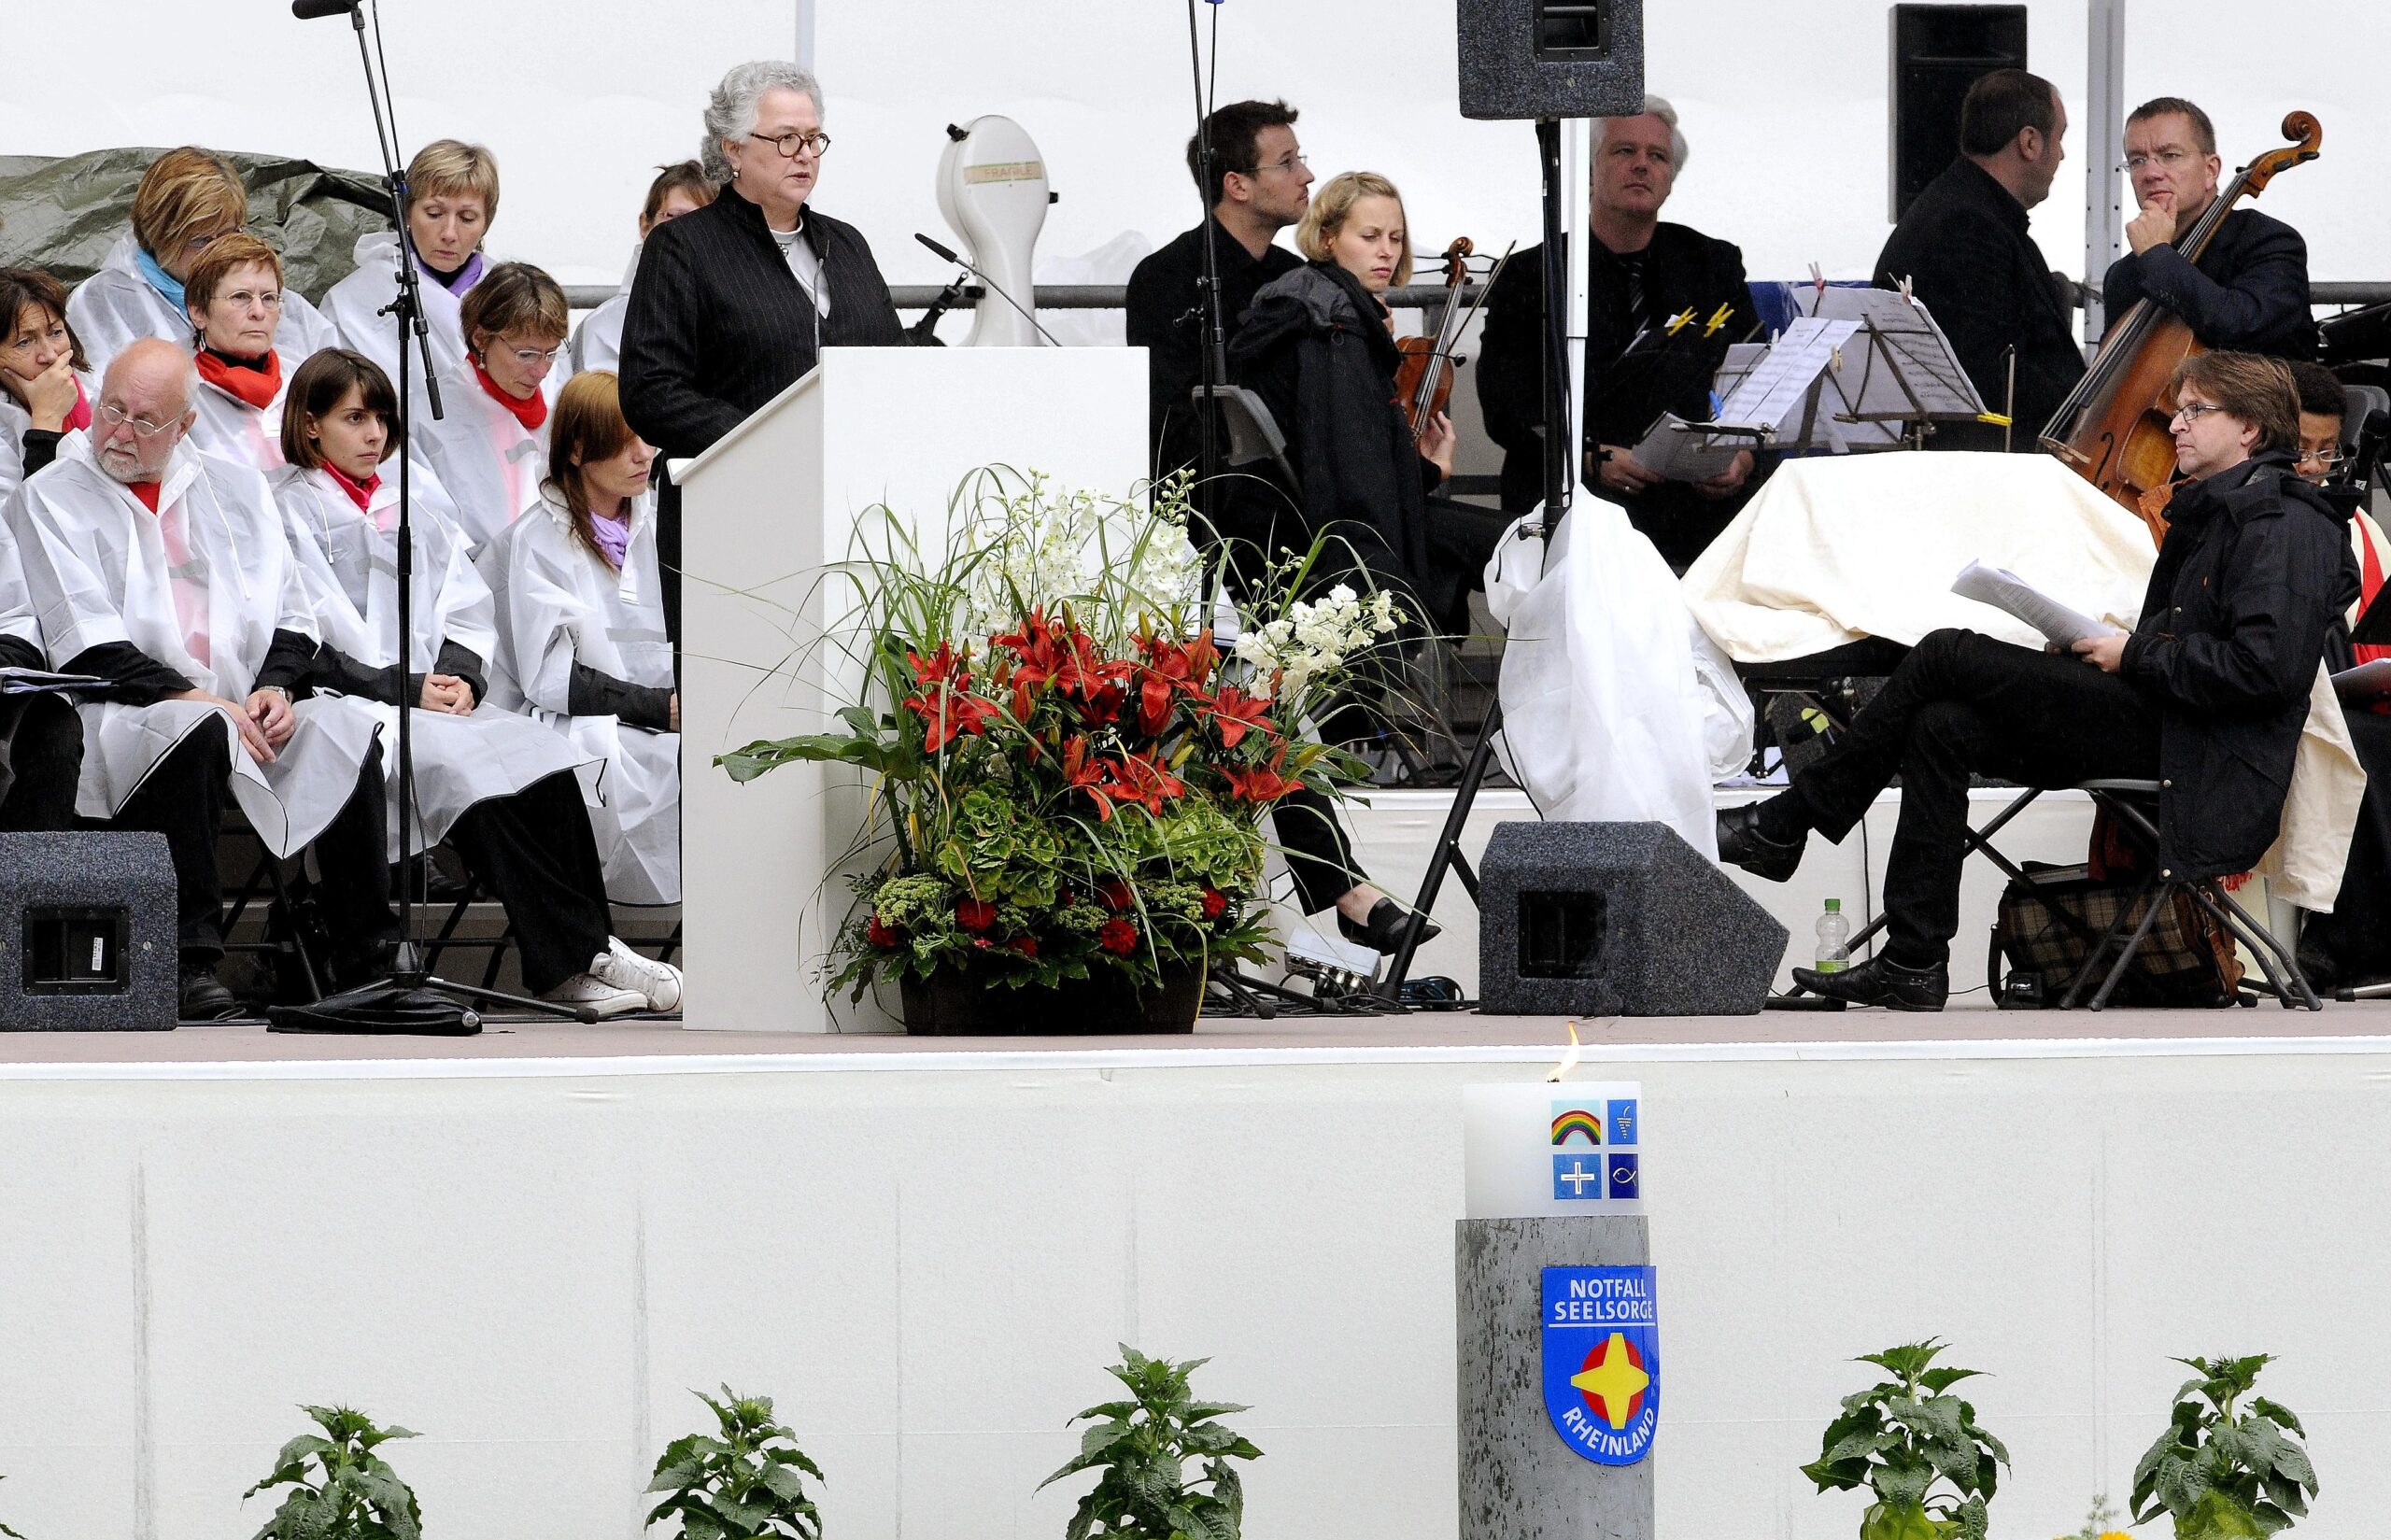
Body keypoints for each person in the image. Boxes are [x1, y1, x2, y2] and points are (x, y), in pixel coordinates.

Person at [1717, 352, 2353, 1010]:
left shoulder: (2286, 523)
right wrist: (2094, 648)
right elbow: (2188, 648)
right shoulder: (2214, 510)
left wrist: (2131, 655)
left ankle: (1787, 821)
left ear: (2249, 430)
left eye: (2195, 412)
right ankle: (1913, 960)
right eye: (2179, 411)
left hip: (2202, 759)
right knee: (1942, 726)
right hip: (2168, 725)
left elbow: (2263, 673)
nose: (2177, 427)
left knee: (1943, 653)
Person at [270, 350, 682, 1016]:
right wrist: (407, 687)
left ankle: (590, 946)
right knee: (477, 780)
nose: (375, 434)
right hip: (347, 706)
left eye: (381, 417)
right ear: (311, 425)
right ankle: (565, 959)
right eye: (354, 418)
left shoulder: (414, 501)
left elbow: (465, 605)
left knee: (545, 758)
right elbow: (299, 632)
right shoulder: (285, 509)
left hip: (432, 702)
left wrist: (462, 674)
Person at [8, 339, 391, 1020]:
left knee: (348, 728)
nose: (120, 432)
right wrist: (203, 698)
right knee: (198, 727)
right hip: (130, 711)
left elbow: (295, 612)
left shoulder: (235, 485)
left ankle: (363, 957)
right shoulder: (52, 495)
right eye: (112, 410)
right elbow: (86, 645)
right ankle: (189, 957)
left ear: (185, 425)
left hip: (246, 704)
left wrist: (275, 686)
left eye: (146, 420)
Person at [1215, 171, 1450, 953]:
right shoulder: (1334, 326)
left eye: (1394, 238)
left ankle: (1344, 891)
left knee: (1259, 716)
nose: (1384, 252)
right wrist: (1425, 482)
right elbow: (1350, 474)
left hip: (1275, 554)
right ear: (1327, 239)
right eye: (1367, 236)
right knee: (1256, 717)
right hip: (1320, 561)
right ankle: (1345, 891)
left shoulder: (1321, 312)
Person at [618, 61, 904, 639]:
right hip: (733, 521)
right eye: (785, 139)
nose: (804, 154)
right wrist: (766, 439)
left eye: (814, 139)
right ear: (734, 149)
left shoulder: (847, 245)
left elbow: (887, 371)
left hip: (850, 520)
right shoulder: (684, 248)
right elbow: (651, 390)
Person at [1476, 97, 1759, 567]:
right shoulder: (1534, 273)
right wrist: (1591, 457)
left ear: (1670, 180)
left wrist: (1743, 458)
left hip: (1691, 508)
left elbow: (1755, 376)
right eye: (1624, 151)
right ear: (1589, 171)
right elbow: (1505, 408)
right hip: (1577, 507)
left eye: (1658, 156)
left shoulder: (1713, 263)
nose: (1642, 166)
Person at [476, 372, 682, 907]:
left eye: (647, 438)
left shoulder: (666, 521)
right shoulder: (537, 539)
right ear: (576, 449)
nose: (644, 456)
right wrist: (658, 707)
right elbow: (550, 679)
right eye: (625, 442)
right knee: (605, 754)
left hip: (666, 709)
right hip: (570, 717)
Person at [1871, 68, 2083, 452]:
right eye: (2060, 137)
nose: (2064, 154)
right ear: (2030, 142)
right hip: (1980, 469)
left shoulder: (1967, 209)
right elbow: (1996, 377)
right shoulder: (1967, 226)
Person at [1124, 98, 1312, 501]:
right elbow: (1173, 422)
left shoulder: (1294, 274)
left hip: (1297, 489)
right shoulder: (1165, 276)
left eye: (1301, 159)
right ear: (1237, 184)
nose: (1307, 175)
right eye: (1287, 163)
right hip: (1220, 504)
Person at [66, 147, 340, 373]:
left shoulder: (282, 307)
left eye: (230, 234)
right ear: (158, 233)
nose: (218, 251)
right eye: (201, 240)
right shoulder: (103, 303)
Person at [2101, 97, 2315, 360]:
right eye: (2137, 161)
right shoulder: (2123, 276)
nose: (2151, 173)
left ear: (2210, 170)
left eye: (2170, 156)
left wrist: (2158, 256)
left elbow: (2240, 327)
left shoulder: (2269, 241)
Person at [322, 140, 501, 407]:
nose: (449, 233)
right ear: (406, 212)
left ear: (486, 223)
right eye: (434, 213)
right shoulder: (353, 300)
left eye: (467, 218)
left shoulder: (509, 295)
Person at [412, 261, 567, 549]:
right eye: (527, 354)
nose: (541, 371)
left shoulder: (559, 403)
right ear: (481, 338)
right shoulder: (427, 415)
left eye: (551, 353)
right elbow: (435, 533)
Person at [571, 162, 715, 376]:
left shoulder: (741, 320)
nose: (688, 232)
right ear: (645, 225)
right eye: (675, 217)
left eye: (702, 221)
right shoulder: (601, 330)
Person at [178, 233, 297, 472]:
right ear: (198, 312)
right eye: (240, 297)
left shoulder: (307, 381)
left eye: (269, 298)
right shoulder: (175, 389)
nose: (258, 312)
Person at [0, 268, 94, 502]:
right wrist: (46, 421)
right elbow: (25, 528)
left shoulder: (97, 385)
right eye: (24, 342)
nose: (50, 355)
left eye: (55, 332)